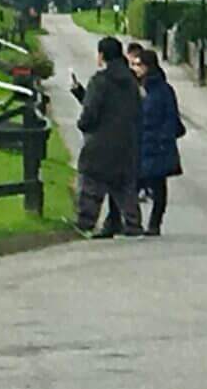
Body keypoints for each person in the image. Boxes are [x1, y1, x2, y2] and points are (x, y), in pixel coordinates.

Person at [73, 36, 144, 238]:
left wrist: (83, 124)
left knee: (92, 183)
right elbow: (137, 110)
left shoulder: (100, 81)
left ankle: (86, 222)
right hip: (126, 141)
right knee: (124, 185)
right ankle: (132, 223)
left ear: (102, 55)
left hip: (100, 141)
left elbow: (91, 111)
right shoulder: (131, 82)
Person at [130, 46, 184, 236]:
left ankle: (154, 223)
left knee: (158, 185)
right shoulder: (135, 88)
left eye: (138, 65)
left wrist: (163, 139)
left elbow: (171, 117)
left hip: (157, 145)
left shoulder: (163, 90)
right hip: (138, 143)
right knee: (133, 185)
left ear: (148, 66)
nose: (135, 68)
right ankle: (131, 221)